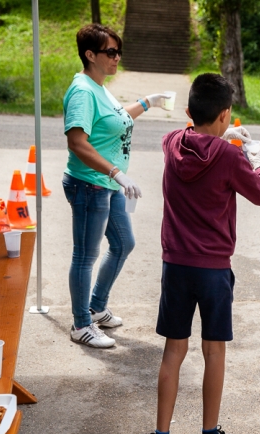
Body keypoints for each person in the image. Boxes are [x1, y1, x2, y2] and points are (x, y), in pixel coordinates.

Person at [139, 73, 260, 434]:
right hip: (213, 269)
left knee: (173, 349)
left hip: (176, 265)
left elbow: (193, 135)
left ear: (188, 111)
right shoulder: (231, 156)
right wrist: (256, 159)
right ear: (226, 113)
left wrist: (220, 132)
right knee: (213, 350)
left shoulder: (171, 143)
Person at [63, 24, 172, 348]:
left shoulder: (100, 85)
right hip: (90, 185)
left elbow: (116, 117)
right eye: (110, 52)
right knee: (85, 255)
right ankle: (81, 324)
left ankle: (96, 306)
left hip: (106, 185)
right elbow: (76, 142)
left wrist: (148, 102)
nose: (117, 58)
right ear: (90, 54)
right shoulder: (82, 90)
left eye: (118, 51)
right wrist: (115, 173)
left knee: (124, 243)